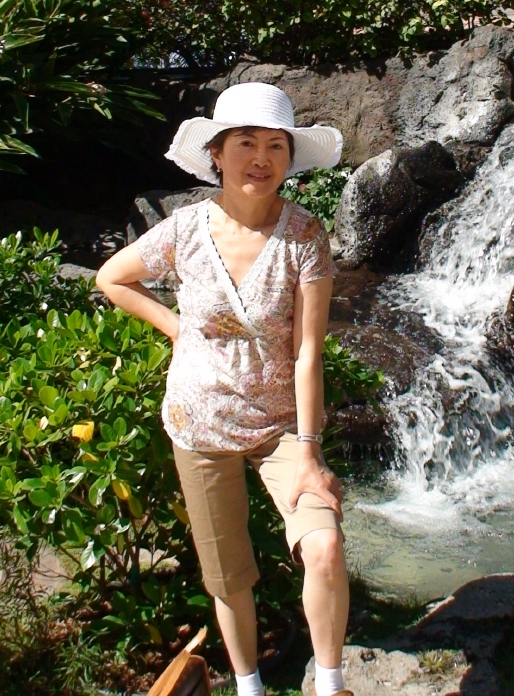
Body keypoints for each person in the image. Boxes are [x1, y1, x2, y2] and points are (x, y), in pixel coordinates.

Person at [96, 82, 351, 696]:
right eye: (245, 143)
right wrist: (176, 327)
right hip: (200, 420)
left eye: (275, 146)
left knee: (324, 546)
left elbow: (308, 352)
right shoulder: (184, 230)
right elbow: (112, 278)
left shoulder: (304, 236)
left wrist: (310, 452)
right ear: (216, 153)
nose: (261, 158)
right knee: (228, 577)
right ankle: (248, 686)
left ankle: (330, 683)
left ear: (290, 157)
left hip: (281, 427)